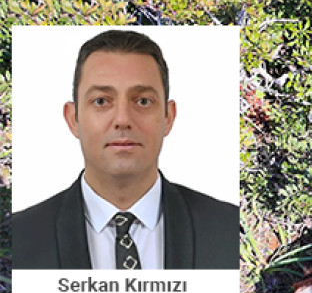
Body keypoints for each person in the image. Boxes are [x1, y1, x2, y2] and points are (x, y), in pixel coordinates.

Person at [12, 29, 238, 270]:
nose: (122, 119)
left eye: (142, 101)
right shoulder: (21, 237)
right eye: (101, 101)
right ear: (73, 118)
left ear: (168, 117)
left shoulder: (227, 227)